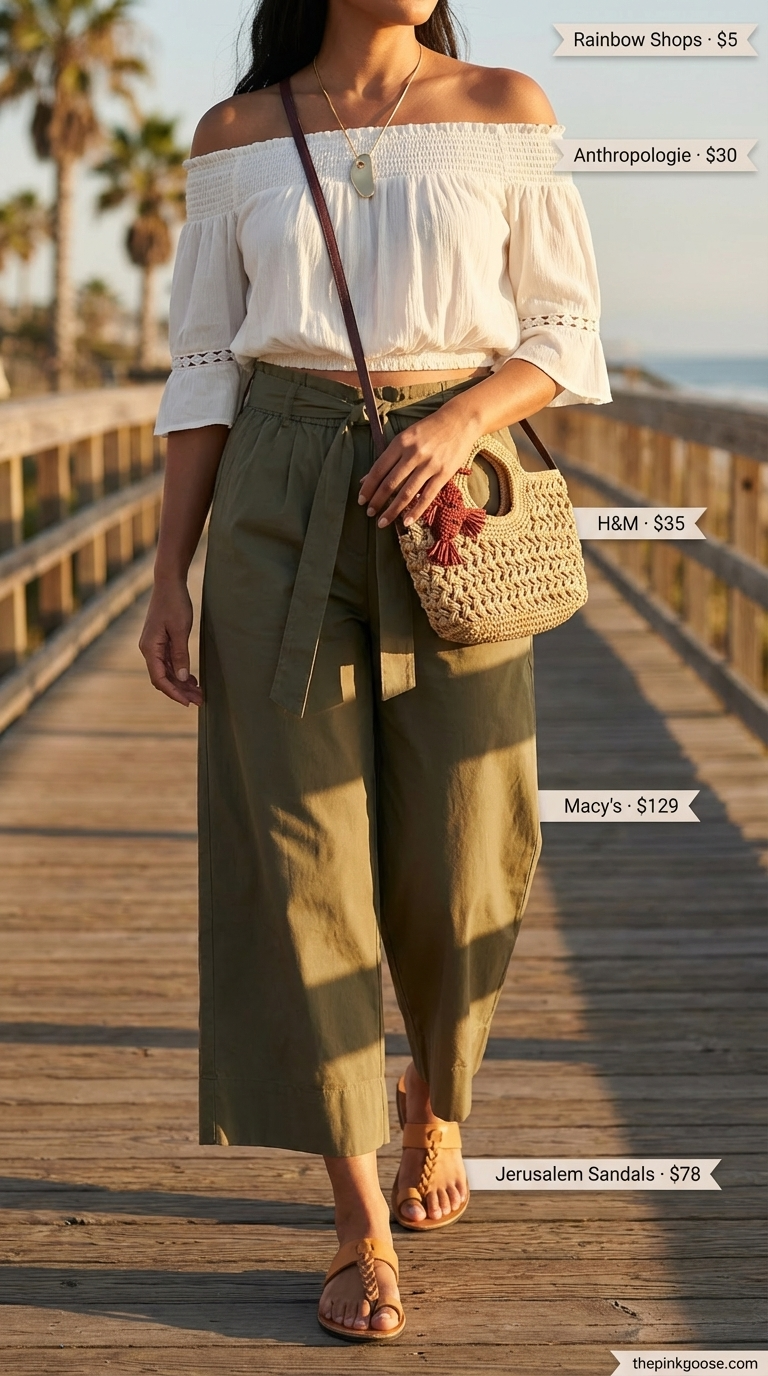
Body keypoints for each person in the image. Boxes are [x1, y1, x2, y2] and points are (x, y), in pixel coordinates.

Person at [140, 0, 611, 1342]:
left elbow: (566, 332)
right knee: (302, 859)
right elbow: (202, 371)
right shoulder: (235, 134)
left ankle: (437, 1101)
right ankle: (355, 1216)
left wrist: (461, 417)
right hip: (279, 493)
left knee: (468, 842)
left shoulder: (506, 109)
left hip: (456, 488)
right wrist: (168, 572)